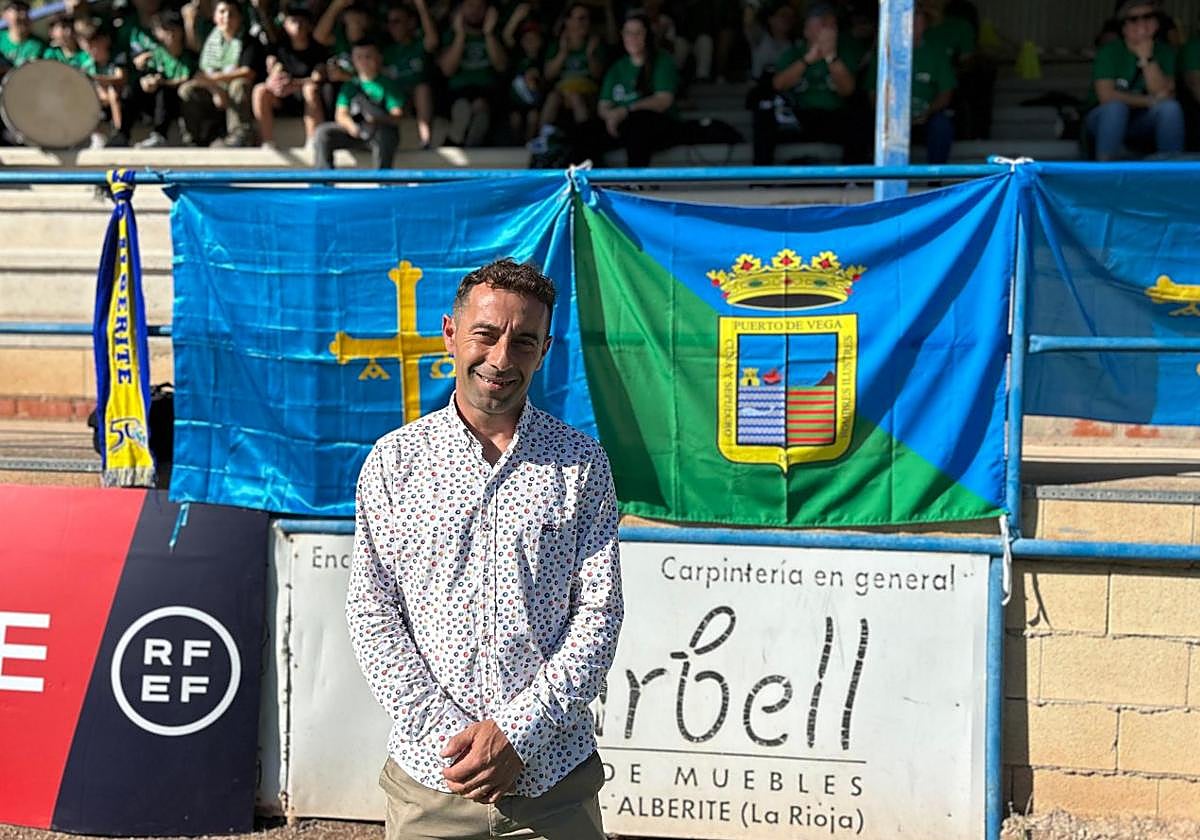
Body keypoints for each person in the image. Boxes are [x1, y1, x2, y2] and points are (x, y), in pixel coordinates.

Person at [346, 258, 622, 840]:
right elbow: (373, 615)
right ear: (450, 333)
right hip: (432, 785)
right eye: (486, 334)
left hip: (553, 787)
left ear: (544, 350)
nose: (501, 358)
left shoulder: (580, 463)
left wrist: (518, 735)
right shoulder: (395, 463)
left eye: (523, 341)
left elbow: (598, 615)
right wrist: (453, 740)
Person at [754, 1, 869, 165]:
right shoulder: (794, 52)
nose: (829, 30)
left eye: (832, 25)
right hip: (800, 117)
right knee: (764, 111)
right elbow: (778, 85)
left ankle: (851, 180)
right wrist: (808, 59)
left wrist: (831, 57)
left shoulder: (845, 52)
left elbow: (848, 90)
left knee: (860, 115)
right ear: (807, 30)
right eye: (822, 25)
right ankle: (761, 178)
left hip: (833, 117)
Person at [1086, 0, 1183, 160]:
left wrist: (1147, 58)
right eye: (1133, 19)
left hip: (1143, 122)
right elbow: (1106, 96)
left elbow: (1163, 94)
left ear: (1157, 23)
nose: (1141, 23)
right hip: (1103, 120)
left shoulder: (1165, 52)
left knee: (1170, 109)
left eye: (1148, 17)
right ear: (1123, 27)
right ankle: (1106, 169)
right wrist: (1149, 101)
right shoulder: (1109, 52)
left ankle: (1170, 167)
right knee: (1115, 108)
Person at [864, 3, 955, 164]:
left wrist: (927, 112)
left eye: (918, 19)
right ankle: (867, 179)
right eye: (909, 19)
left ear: (925, 24)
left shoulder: (936, 52)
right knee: (863, 122)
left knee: (942, 126)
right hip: (890, 118)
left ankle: (935, 179)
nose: (913, 24)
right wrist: (888, 114)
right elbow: (873, 93)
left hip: (925, 118)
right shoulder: (884, 53)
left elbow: (945, 93)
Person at [597, 12, 681, 166]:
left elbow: (664, 100)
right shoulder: (617, 67)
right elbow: (603, 105)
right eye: (628, 33)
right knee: (586, 130)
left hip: (659, 126)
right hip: (620, 126)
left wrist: (626, 110)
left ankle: (636, 183)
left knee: (637, 123)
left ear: (647, 35)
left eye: (638, 33)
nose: (632, 38)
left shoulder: (662, 60)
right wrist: (611, 116)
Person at [179, 0, 263, 146]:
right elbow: (200, 71)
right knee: (187, 90)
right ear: (215, 17)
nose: (227, 17)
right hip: (212, 90)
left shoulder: (249, 41)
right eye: (222, 12)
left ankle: (240, 134)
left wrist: (217, 78)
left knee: (239, 85)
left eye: (232, 14)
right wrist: (216, 88)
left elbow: (248, 72)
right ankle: (193, 138)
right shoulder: (209, 40)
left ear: (240, 18)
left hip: (235, 92)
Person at [312, 38, 405, 167]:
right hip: (354, 132)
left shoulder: (388, 84)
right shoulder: (350, 85)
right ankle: (324, 181)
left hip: (379, 133)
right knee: (322, 133)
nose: (364, 61)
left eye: (368, 56)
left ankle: (383, 181)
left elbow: (397, 115)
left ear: (378, 58)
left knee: (386, 134)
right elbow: (340, 114)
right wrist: (352, 127)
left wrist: (378, 119)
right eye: (359, 57)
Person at [252, 5, 328, 148]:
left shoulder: (317, 49)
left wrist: (294, 83)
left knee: (310, 89)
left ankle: (313, 142)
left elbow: (318, 78)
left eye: (301, 22)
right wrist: (275, 82)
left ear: (309, 26)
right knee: (260, 90)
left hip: (309, 99)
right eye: (293, 21)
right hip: (283, 97)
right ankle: (267, 142)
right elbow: (275, 72)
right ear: (285, 25)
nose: (298, 26)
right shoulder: (280, 49)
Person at [439, 0, 507, 146]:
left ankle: (466, 149)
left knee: (481, 112)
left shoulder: (495, 34)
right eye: (470, 6)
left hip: (487, 93)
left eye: (480, 7)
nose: (474, 11)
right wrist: (460, 34)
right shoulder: (450, 36)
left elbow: (501, 66)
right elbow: (447, 70)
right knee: (462, 107)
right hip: (458, 93)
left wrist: (488, 33)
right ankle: (456, 144)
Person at [132, 10, 199, 147]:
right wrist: (147, 80)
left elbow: (185, 79)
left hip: (178, 99)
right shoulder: (157, 52)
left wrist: (163, 82)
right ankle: (122, 133)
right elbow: (148, 71)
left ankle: (160, 135)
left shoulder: (188, 55)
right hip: (154, 101)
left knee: (165, 91)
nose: (170, 35)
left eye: (173, 29)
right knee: (133, 89)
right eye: (165, 30)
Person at [381, 0, 439, 149]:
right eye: (389, 22)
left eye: (397, 21)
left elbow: (432, 41)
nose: (392, 26)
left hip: (419, 100)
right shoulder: (387, 52)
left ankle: (425, 139)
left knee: (422, 89)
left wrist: (421, 6)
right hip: (397, 102)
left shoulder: (417, 45)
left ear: (411, 23)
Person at [0, 0, 47, 74]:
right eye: (18, 9)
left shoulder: (40, 45)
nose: (23, 15)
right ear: (4, 15)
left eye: (26, 10)